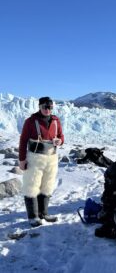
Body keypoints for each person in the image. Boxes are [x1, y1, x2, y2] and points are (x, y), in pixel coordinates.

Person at [19, 97, 64, 227]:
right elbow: (23, 141)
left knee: (47, 185)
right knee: (31, 186)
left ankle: (43, 213)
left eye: (50, 107)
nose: (47, 110)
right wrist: (22, 160)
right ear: (39, 106)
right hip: (34, 157)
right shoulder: (31, 121)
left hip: (52, 158)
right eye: (45, 107)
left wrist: (59, 141)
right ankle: (33, 217)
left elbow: (61, 136)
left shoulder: (56, 120)